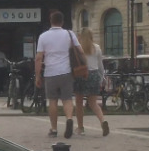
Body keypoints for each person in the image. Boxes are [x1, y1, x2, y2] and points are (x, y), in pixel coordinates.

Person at [34, 10, 77, 138]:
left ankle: (53, 129)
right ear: (62, 22)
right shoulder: (69, 34)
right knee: (67, 99)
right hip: (66, 71)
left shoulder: (43, 36)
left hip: (50, 73)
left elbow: (38, 57)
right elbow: (79, 50)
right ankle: (69, 118)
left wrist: (37, 76)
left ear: (51, 21)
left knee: (52, 101)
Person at [73, 27, 110, 136]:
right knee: (93, 103)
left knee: (79, 103)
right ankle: (103, 121)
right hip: (94, 75)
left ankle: (80, 128)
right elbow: (100, 66)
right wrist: (102, 78)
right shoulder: (97, 48)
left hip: (81, 74)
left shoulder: (78, 48)